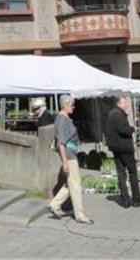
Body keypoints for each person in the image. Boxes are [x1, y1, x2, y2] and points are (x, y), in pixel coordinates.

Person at [47, 95, 93, 224]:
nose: (73, 107)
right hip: (69, 154)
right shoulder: (62, 119)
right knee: (76, 185)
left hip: (69, 153)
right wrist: (65, 161)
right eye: (72, 105)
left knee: (70, 183)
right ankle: (80, 215)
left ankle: (54, 205)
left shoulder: (64, 118)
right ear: (65, 105)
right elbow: (61, 142)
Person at [105, 95, 140, 208]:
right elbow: (124, 130)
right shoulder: (118, 114)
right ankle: (136, 200)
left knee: (121, 174)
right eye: (124, 102)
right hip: (124, 148)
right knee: (132, 172)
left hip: (116, 148)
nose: (126, 105)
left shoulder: (111, 114)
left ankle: (125, 199)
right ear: (119, 103)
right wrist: (133, 128)